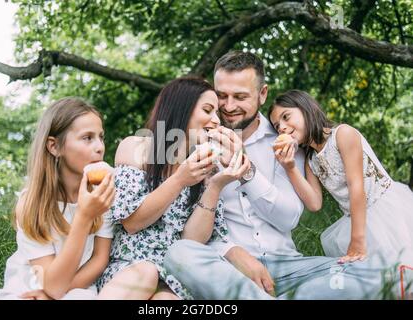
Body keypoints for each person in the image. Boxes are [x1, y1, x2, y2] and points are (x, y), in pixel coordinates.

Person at [164, 51, 402, 300]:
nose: (229, 106)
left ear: (262, 94)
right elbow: (185, 231)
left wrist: (246, 170)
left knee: (377, 272)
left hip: (290, 267)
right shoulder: (197, 141)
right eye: (222, 96)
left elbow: (288, 218)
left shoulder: (287, 142)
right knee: (179, 253)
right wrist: (230, 251)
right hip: (227, 269)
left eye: (241, 97)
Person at [96, 77, 250, 300]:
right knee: (146, 273)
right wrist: (179, 180)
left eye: (216, 113)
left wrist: (215, 186)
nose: (216, 120)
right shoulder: (137, 148)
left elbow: (192, 242)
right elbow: (131, 223)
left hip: (175, 279)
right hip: (131, 269)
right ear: (182, 109)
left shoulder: (207, 165)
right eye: (208, 110)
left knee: (166, 299)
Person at [0, 97, 115, 300]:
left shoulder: (102, 195)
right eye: (87, 138)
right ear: (54, 147)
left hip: (77, 287)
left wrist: (56, 291)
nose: (99, 147)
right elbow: (47, 278)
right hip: (30, 286)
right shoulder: (32, 203)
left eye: (101, 137)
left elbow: (99, 258)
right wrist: (84, 216)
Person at [267, 89, 413, 267]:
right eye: (276, 126)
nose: (281, 127)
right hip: (356, 219)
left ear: (305, 109)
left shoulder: (343, 134)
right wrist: (289, 167)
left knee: (404, 269)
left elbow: (356, 187)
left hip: (385, 211)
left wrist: (357, 240)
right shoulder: (311, 160)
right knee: (384, 281)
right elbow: (314, 204)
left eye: (286, 117)